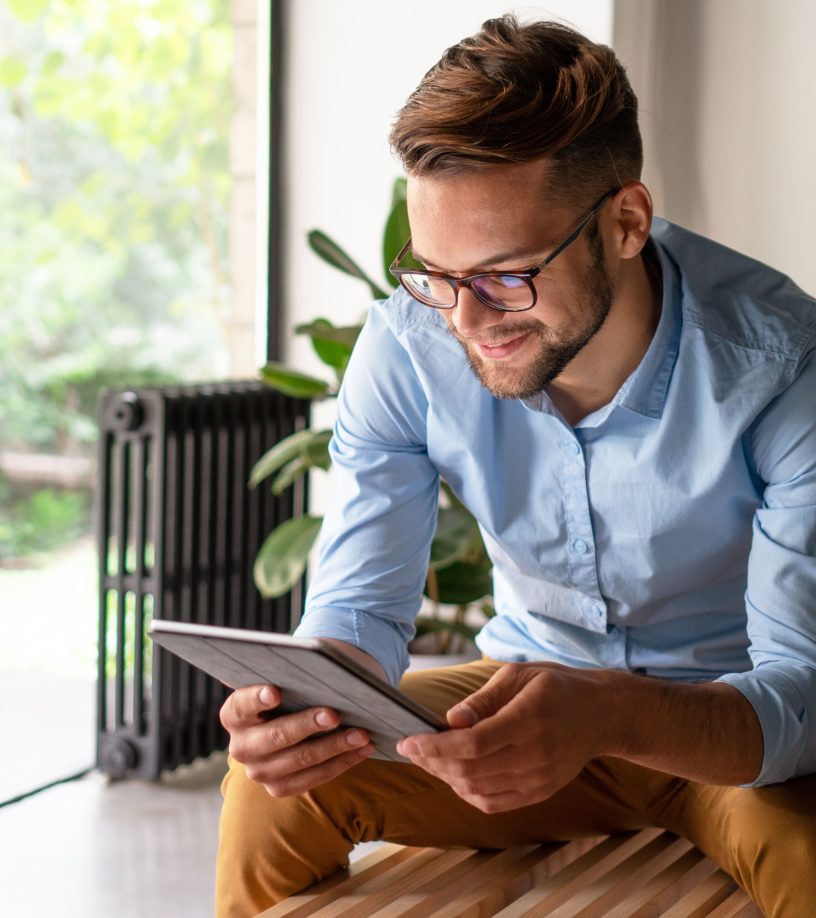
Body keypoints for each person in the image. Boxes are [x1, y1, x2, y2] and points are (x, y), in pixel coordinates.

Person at [215, 16, 816, 918]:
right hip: (518, 696)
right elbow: (359, 613)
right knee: (272, 790)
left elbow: (800, 695)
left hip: (726, 726)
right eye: (437, 273)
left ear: (625, 221)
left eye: (506, 275)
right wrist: (306, 705)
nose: (463, 318)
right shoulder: (409, 345)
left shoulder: (784, 365)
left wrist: (609, 714)